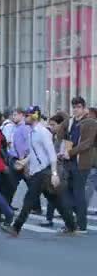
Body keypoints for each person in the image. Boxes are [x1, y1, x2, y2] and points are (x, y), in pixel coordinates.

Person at [1, 106, 76, 237]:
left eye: (27, 115)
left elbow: (51, 153)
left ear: (34, 116)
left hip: (44, 172)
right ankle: (72, 225)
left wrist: (54, 174)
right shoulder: (31, 132)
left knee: (29, 200)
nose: (25, 118)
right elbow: (35, 152)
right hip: (39, 171)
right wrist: (24, 162)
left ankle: (16, 228)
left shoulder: (42, 132)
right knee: (55, 199)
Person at [57, 96, 97, 234]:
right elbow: (60, 133)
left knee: (78, 193)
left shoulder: (90, 122)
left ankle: (81, 225)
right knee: (66, 193)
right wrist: (61, 150)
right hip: (68, 161)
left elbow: (87, 143)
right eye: (74, 107)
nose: (75, 109)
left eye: (78, 107)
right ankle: (72, 222)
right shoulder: (70, 121)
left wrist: (71, 152)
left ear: (84, 107)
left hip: (81, 163)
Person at [40, 114, 66, 227]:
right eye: (50, 124)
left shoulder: (64, 136)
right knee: (52, 193)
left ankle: (68, 220)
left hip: (62, 168)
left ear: (61, 125)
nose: (51, 127)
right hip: (53, 168)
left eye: (53, 125)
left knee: (58, 195)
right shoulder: (51, 135)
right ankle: (49, 218)